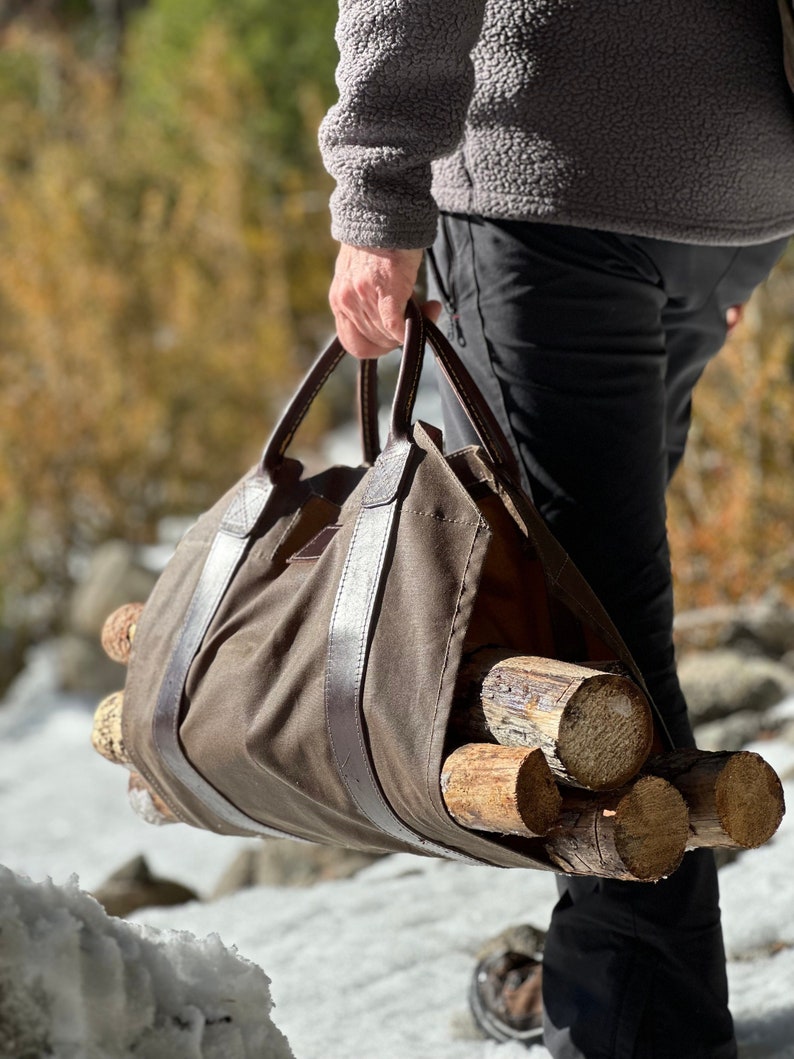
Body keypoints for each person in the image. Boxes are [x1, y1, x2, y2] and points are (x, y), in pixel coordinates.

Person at [317, 3, 794, 1056]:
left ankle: (638, 1025)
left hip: (554, 174)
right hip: (733, 189)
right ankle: (600, 971)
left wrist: (376, 192)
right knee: (584, 600)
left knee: (586, 639)